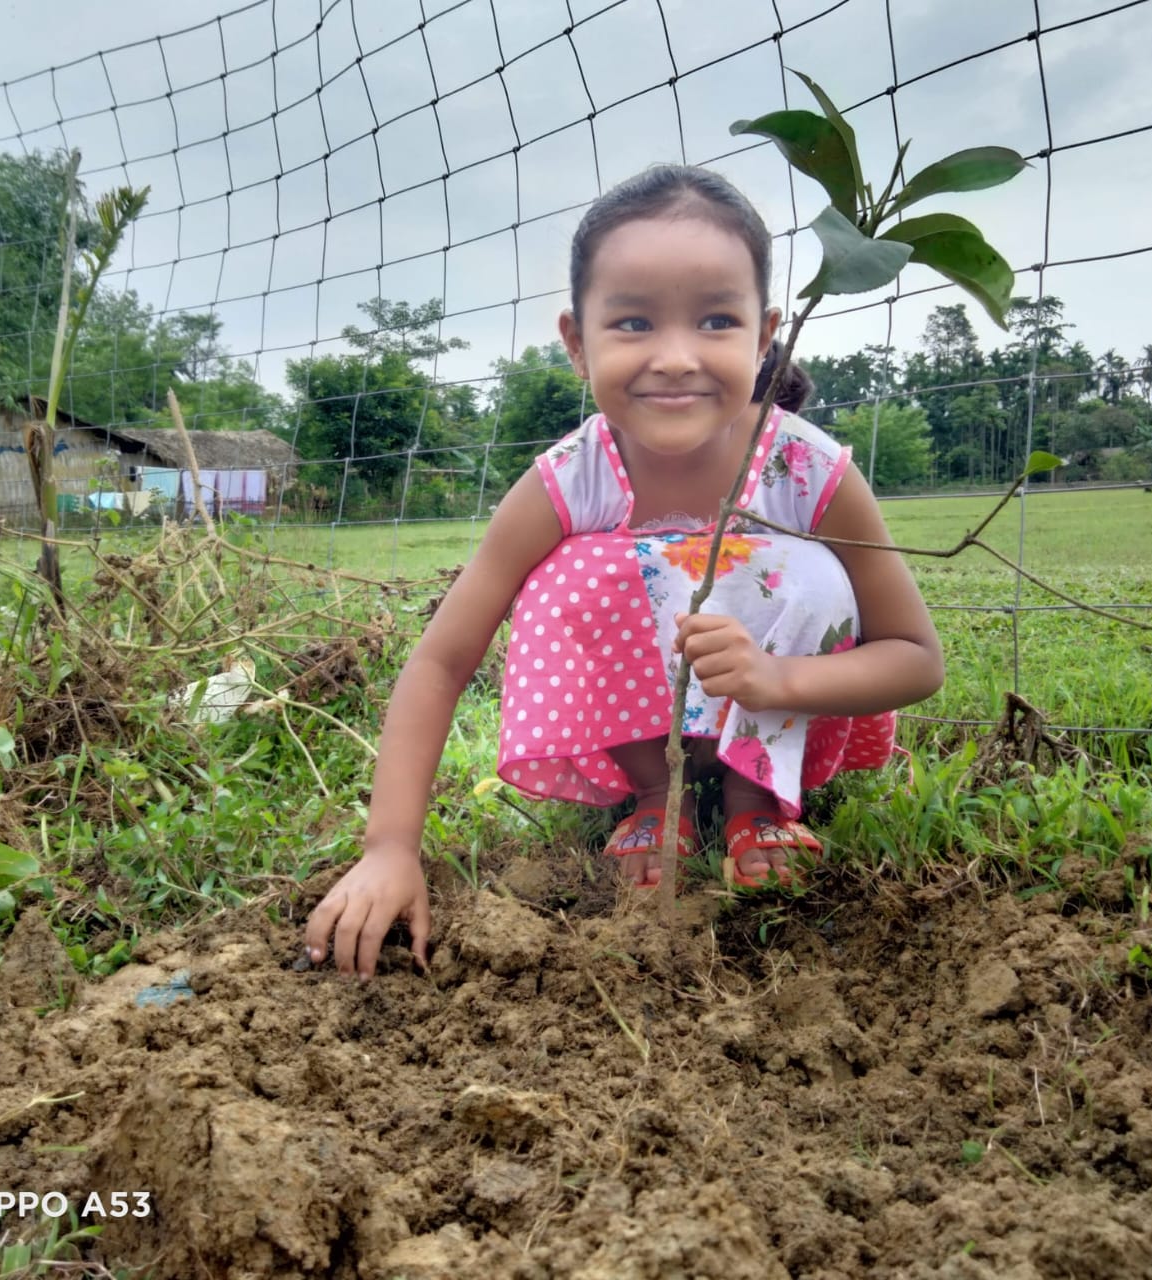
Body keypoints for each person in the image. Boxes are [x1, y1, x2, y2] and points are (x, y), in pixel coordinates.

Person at [305, 164, 944, 980]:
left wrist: (777, 679)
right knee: (574, 572)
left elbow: (916, 659)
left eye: (716, 320)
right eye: (634, 322)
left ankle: (758, 801)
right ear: (578, 341)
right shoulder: (568, 480)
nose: (675, 358)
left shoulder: (808, 471)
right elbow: (440, 659)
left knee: (807, 569)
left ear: (764, 332)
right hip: (648, 740)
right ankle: (654, 796)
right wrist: (389, 847)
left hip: (783, 711)